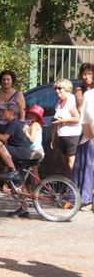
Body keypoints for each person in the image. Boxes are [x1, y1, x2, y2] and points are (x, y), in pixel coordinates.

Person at [0, 70, 26, 189]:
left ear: (12, 81)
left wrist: (19, 129)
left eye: (8, 79)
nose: (5, 82)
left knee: (7, 155)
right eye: (3, 79)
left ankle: (6, 185)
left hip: (10, 130)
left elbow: (22, 115)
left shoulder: (18, 94)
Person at [0, 101, 31, 192]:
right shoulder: (9, 124)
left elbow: (4, 138)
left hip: (22, 151)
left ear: (11, 112)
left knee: (0, 148)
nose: (0, 113)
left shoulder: (14, 123)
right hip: (18, 151)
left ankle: (13, 172)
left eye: (3, 111)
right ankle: (24, 204)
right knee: (18, 184)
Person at [72, 63, 94, 212]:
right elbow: (82, 111)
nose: (86, 77)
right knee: (84, 165)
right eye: (84, 74)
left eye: (89, 73)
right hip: (87, 131)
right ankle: (84, 200)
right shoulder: (81, 91)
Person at [51, 78, 81, 177]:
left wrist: (63, 120)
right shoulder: (59, 102)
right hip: (61, 135)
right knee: (66, 166)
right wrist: (54, 139)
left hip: (72, 136)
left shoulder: (71, 100)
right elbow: (56, 122)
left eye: (59, 88)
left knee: (71, 165)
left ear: (67, 88)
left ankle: (74, 189)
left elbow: (77, 118)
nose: (57, 90)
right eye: (55, 88)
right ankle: (69, 189)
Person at [23, 104, 45, 182]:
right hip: (35, 151)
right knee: (33, 172)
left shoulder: (35, 125)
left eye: (33, 114)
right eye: (30, 113)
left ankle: (36, 191)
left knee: (34, 172)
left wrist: (25, 131)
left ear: (37, 117)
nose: (30, 115)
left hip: (35, 151)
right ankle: (34, 190)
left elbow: (32, 139)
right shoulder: (34, 124)